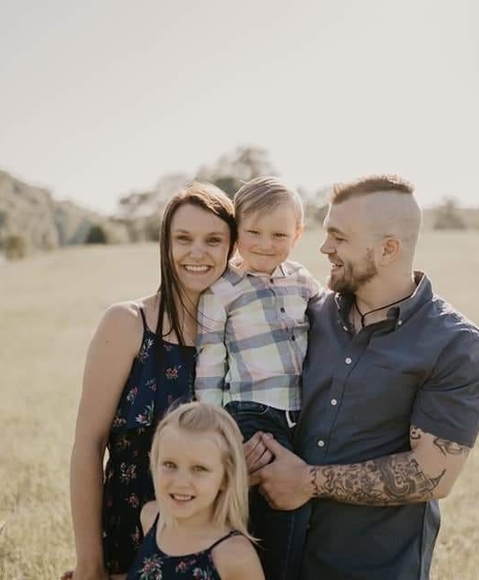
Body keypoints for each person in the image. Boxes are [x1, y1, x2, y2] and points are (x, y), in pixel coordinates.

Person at [248, 174, 479, 580]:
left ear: (387, 249)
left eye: (339, 237)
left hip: (374, 567)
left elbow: (431, 473)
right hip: (276, 560)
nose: (325, 247)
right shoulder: (307, 314)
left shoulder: (454, 344)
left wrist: (308, 482)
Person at [66, 183, 237, 580]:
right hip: (131, 539)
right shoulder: (127, 323)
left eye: (213, 240)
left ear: (232, 247)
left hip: (220, 540)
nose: (198, 252)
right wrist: (89, 563)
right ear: (166, 244)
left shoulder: (242, 334)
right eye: (184, 239)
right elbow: (88, 445)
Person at [194, 176, 322, 579]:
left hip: (303, 415)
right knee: (282, 512)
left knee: (298, 510)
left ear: (297, 234)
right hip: (253, 416)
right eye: (254, 232)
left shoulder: (302, 280)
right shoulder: (222, 291)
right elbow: (210, 364)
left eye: (279, 234)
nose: (266, 244)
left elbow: (330, 322)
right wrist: (215, 432)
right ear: (236, 232)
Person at [125, 401, 264, 580]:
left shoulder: (234, 556)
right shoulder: (151, 518)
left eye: (199, 469)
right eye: (170, 465)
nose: (181, 482)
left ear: (226, 477)